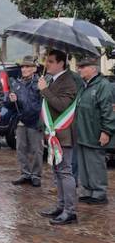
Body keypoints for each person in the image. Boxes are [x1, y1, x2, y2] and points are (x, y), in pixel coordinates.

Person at [38, 50, 79, 225]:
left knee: (65, 172)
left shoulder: (68, 81)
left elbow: (62, 105)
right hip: (54, 134)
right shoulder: (53, 80)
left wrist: (45, 90)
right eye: (47, 60)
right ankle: (61, 206)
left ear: (62, 63)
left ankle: (70, 211)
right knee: (57, 172)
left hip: (64, 134)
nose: (47, 64)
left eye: (51, 61)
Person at [75, 56, 115, 206]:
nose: (79, 69)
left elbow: (108, 111)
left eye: (83, 67)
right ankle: (87, 191)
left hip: (95, 133)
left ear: (93, 68)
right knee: (84, 164)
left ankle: (99, 193)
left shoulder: (103, 86)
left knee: (96, 164)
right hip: (83, 133)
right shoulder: (85, 86)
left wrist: (107, 131)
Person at [9, 56, 43, 187]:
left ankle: (36, 175)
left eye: (27, 66)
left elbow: (44, 102)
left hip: (35, 121)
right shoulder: (16, 83)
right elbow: (9, 105)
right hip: (20, 121)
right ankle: (25, 173)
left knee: (36, 150)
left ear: (34, 69)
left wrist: (43, 89)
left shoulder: (40, 83)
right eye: (22, 67)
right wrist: (12, 100)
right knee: (20, 149)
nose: (24, 69)